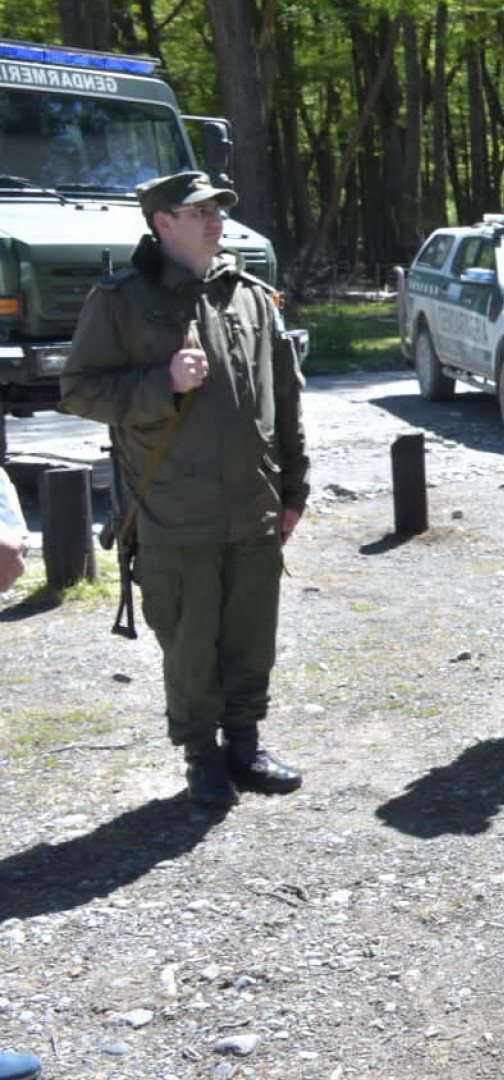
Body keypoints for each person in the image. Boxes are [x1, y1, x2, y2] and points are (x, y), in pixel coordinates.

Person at [61, 171, 307, 810]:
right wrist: (160, 384)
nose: (215, 219)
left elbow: (285, 399)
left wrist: (294, 489)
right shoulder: (120, 301)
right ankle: (202, 756)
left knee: (253, 633)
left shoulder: (250, 295)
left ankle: (245, 745)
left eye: (219, 209)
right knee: (191, 641)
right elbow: (80, 391)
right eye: (198, 211)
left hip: (253, 504)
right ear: (162, 222)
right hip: (174, 510)